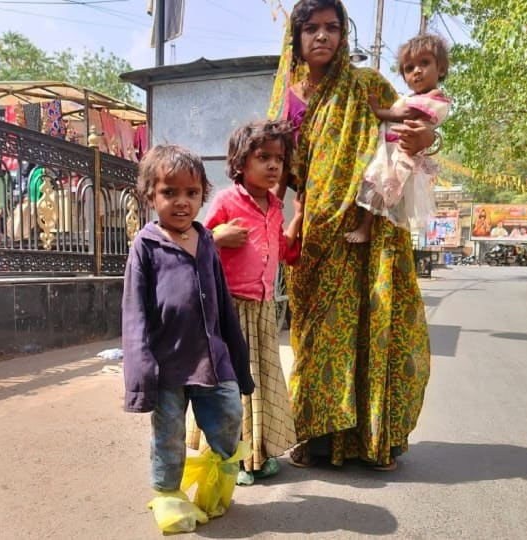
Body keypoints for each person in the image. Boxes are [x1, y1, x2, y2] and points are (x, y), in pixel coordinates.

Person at [268, 0, 435, 471]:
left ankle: (375, 439)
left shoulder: (368, 86)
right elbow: (280, 170)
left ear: (343, 36)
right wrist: (279, 222)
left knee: (374, 326)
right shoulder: (285, 97)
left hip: (372, 229)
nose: (322, 36)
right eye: (312, 28)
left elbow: (418, 122)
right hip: (316, 236)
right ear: (296, 37)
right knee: (318, 336)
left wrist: (427, 139)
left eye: (332, 28)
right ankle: (318, 441)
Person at [121, 144, 255, 531]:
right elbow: (134, 314)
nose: (181, 202)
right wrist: (141, 373)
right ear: (150, 195)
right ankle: (169, 497)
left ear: (202, 195)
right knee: (169, 437)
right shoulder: (145, 245)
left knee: (230, 416)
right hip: (167, 366)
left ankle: (218, 481)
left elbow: (224, 307)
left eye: (191, 193)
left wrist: (239, 362)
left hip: (212, 359)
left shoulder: (206, 240)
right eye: (169, 192)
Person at [186, 120, 303, 486]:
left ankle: (256, 455)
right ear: (240, 161)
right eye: (263, 157)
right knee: (228, 384)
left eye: (279, 159)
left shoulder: (273, 206)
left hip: (264, 309)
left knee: (261, 382)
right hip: (231, 310)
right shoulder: (226, 200)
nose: (273, 165)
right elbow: (195, 242)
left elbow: (282, 250)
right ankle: (228, 459)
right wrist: (218, 236)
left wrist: (297, 218)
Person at [346, 33, 451, 243]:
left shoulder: (433, 98)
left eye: (425, 63)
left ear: (441, 69)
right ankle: (370, 229)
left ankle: (366, 229)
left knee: (380, 183)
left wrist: (377, 110)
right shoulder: (412, 98)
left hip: (399, 151)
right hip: (392, 148)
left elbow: (402, 115)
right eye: (409, 68)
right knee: (381, 187)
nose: (417, 71)